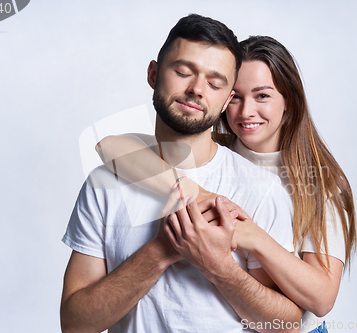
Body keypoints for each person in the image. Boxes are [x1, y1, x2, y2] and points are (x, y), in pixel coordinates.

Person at [96, 36, 357, 333]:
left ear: (289, 102)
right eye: (235, 97)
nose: (246, 112)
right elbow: (110, 147)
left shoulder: (318, 182)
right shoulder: (213, 152)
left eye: (262, 96)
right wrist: (206, 196)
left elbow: (322, 298)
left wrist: (255, 238)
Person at [61, 14, 303, 333]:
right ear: (154, 74)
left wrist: (219, 268)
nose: (196, 89)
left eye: (215, 83)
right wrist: (159, 252)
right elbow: (75, 325)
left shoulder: (260, 187)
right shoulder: (104, 183)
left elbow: (286, 326)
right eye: (183, 72)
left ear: (227, 98)